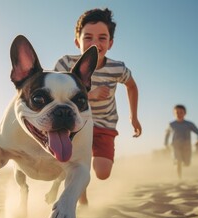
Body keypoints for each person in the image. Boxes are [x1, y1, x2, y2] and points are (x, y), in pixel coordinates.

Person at [54, 8, 142, 204]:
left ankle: (84, 177)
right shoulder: (66, 63)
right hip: (76, 123)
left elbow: (132, 86)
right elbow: (55, 92)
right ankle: (80, 193)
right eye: (88, 37)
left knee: (102, 172)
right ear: (77, 41)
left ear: (110, 43)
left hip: (105, 124)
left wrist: (133, 116)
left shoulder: (117, 68)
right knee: (74, 162)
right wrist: (88, 95)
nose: (95, 43)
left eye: (102, 38)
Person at [164, 104, 198, 179]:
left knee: (187, 164)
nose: (179, 114)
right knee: (178, 161)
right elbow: (167, 134)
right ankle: (179, 178)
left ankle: (179, 164)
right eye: (177, 112)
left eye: (181, 112)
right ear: (174, 113)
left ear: (185, 113)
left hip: (187, 147)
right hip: (175, 146)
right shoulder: (171, 124)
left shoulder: (189, 124)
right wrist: (166, 144)